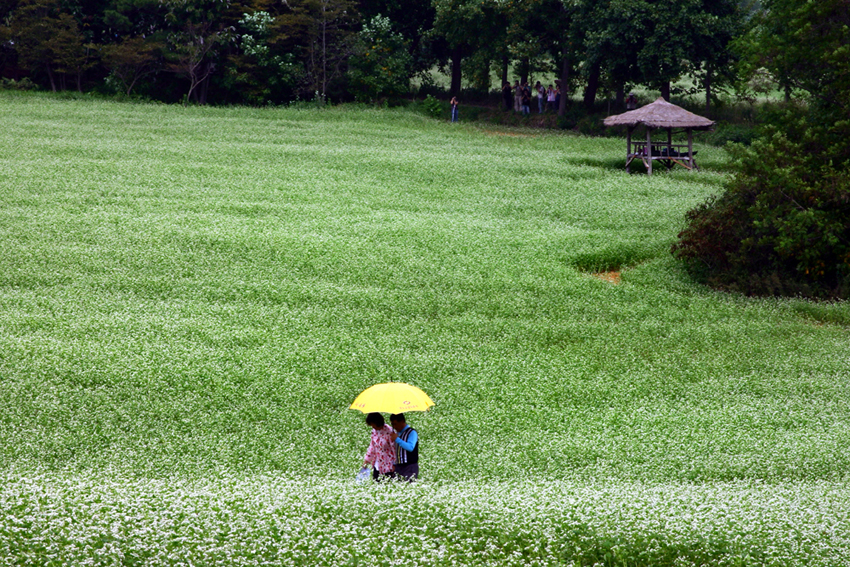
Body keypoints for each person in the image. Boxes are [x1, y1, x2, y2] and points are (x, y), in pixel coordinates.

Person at [363, 412, 395, 481]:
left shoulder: (389, 431)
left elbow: (394, 449)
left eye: (373, 424)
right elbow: (372, 447)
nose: (372, 427)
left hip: (388, 466)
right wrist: (366, 462)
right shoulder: (374, 431)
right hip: (377, 465)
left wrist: (395, 465)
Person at [389, 413, 419, 481]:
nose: (394, 426)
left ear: (402, 421)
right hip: (398, 467)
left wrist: (397, 439)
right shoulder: (396, 434)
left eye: (395, 424)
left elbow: (410, 447)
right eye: (392, 424)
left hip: (410, 467)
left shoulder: (412, 432)